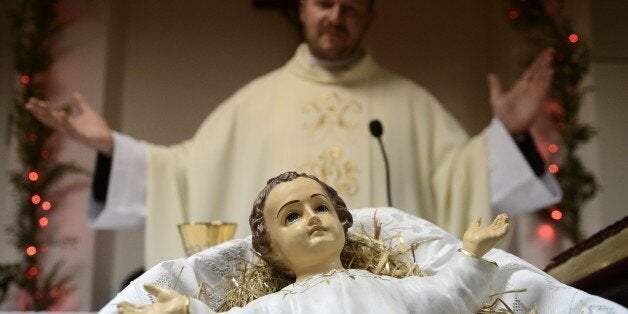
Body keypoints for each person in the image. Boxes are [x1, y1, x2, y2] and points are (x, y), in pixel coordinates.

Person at [25, 0, 561, 267]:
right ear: (302, 10)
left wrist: (508, 134)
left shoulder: (412, 103)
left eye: (351, 7)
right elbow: (182, 172)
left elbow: (459, 180)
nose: (336, 16)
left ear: (370, 16)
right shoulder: (254, 101)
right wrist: (109, 148)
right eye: (324, 3)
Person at [105, 172, 625, 313]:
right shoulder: (281, 305)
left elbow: (445, 298)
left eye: (321, 207)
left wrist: (469, 254)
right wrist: (188, 311)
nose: (312, 218)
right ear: (271, 252)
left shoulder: (384, 287)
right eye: (292, 216)